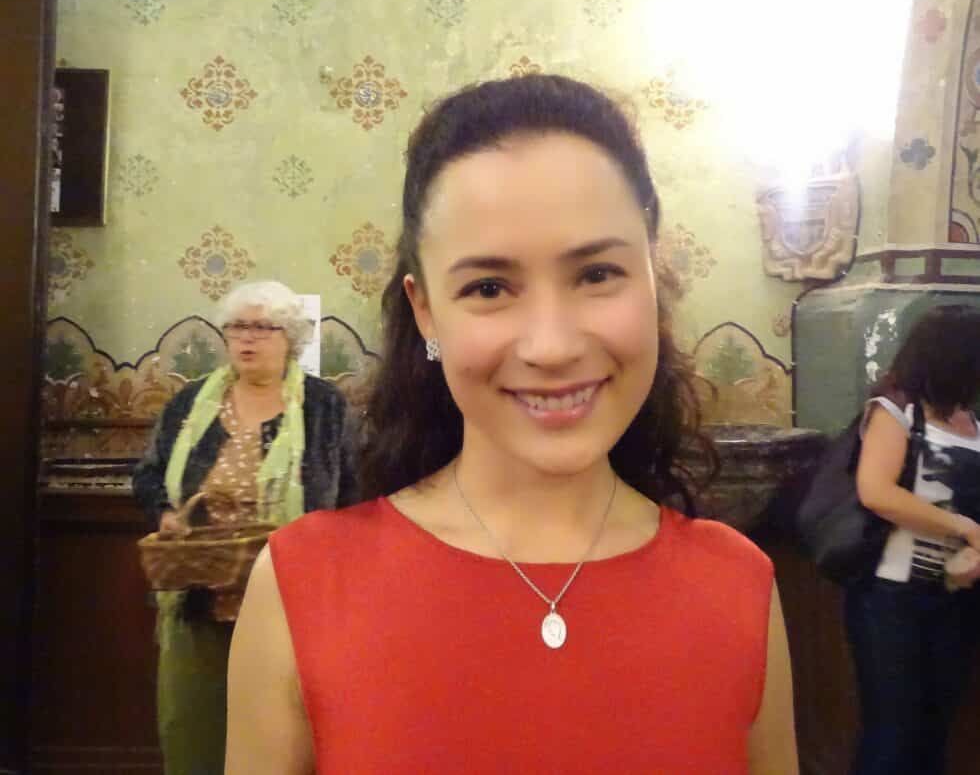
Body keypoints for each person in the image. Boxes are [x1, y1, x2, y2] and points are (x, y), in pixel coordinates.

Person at [226, 74, 799, 774]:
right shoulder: (303, 586)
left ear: (654, 275)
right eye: (489, 287)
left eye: (597, 274)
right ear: (426, 311)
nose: (551, 346)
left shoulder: (738, 586)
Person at [133, 279, 356, 775]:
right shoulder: (191, 403)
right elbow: (148, 474)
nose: (246, 338)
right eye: (236, 327)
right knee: (194, 723)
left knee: (281, 732)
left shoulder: (324, 407)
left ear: (290, 337)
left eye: (262, 327)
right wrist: (166, 515)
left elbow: (355, 492)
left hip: (292, 595)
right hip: (198, 591)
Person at [850, 304, 980, 775]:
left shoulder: (972, 423)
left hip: (957, 597)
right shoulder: (896, 411)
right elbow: (876, 491)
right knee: (893, 736)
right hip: (893, 598)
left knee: (933, 733)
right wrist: (965, 528)